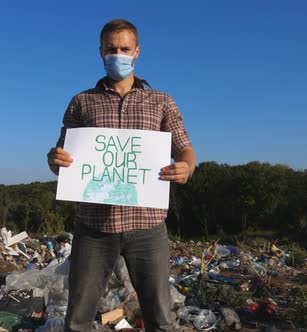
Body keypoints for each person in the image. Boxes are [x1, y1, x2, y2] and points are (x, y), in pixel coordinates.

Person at [47, 18, 196, 332]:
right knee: (78, 318)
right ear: (101, 52)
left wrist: (186, 167)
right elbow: (62, 156)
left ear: (137, 51)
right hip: (94, 226)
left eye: (125, 48)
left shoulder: (161, 101)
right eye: (111, 49)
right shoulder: (81, 102)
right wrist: (54, 159)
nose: (118, 55)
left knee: (161, 318)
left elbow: (184, 149)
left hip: (148, 226)